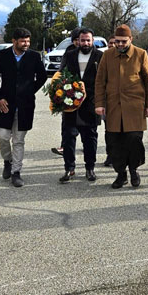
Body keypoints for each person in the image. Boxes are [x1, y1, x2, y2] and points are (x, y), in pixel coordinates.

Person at [94, 25, 148, 189]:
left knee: (134, 140)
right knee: (115, 143)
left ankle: (134, 169)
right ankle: (121, 174)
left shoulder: (140, 54)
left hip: (135, 107)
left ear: (130, 40)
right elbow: (100, 81)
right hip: (113, 107)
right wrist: (99, 104)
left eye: (123, 41)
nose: (120, 44)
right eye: (117, 41)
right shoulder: (107, 55)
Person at [0, 27, 46, 187]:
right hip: (5, 103)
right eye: (23, 41)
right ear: (14, 41)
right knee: (2, 136)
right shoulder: (3, 55)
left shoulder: (34, 56)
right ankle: (7, 160)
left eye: (28, 41)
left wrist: (29, 91)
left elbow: (42, 77)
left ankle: (16, 172)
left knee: (19, 140)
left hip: (25, 105)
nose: (26, 44)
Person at [58, 28, 103, 183]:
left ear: (93, 41)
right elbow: (61, 75)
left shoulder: (100, 56)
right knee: (68, 137)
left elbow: (104, 80)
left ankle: (90, 168)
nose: (85, 43)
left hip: (91, 104)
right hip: (71, 103)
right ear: (78, 41)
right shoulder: (70, 55)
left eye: (88, 40)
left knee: (90, 138)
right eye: (82, 40)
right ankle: (69, 169)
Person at [51, 28, 81, 157]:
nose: (78, 43)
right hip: (70, 90)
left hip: (86, 91)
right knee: (67, 121)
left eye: (80, 40)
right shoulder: (69, 51)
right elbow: (62, 69)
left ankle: (87, 144)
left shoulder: (93, 52)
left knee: (85, 123)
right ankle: (65, 146)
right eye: (75, 40)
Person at [101, 35, 117, 167]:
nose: (112, 45)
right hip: (108, 101)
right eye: (110, 43)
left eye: (115, 42)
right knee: (109, 130)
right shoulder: (105, 57)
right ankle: (110, 154)